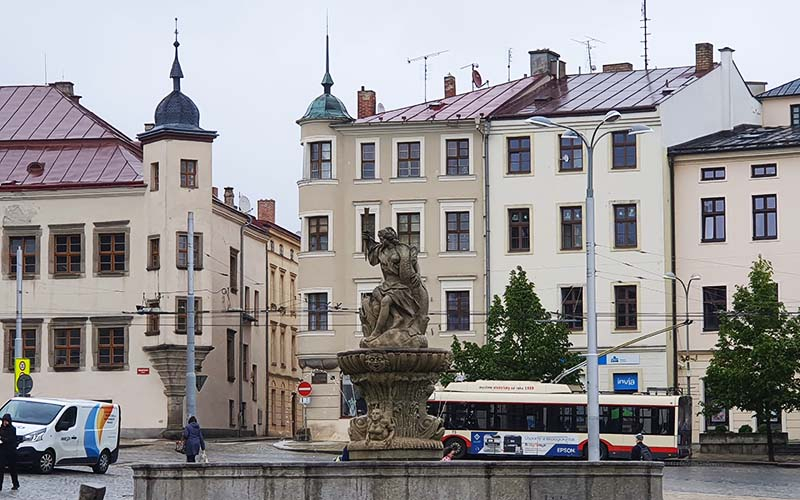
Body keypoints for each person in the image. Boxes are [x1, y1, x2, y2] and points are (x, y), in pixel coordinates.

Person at [0, 414, 19, 490]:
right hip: (2, 451)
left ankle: (15, 484)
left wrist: (2, 438)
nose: (5, 423)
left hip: (11, 451)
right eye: (4, 421)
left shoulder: (12, 429)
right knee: (1, 469)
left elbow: (10, 439)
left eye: (6, 421)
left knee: (12, 468)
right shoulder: (1, 428)